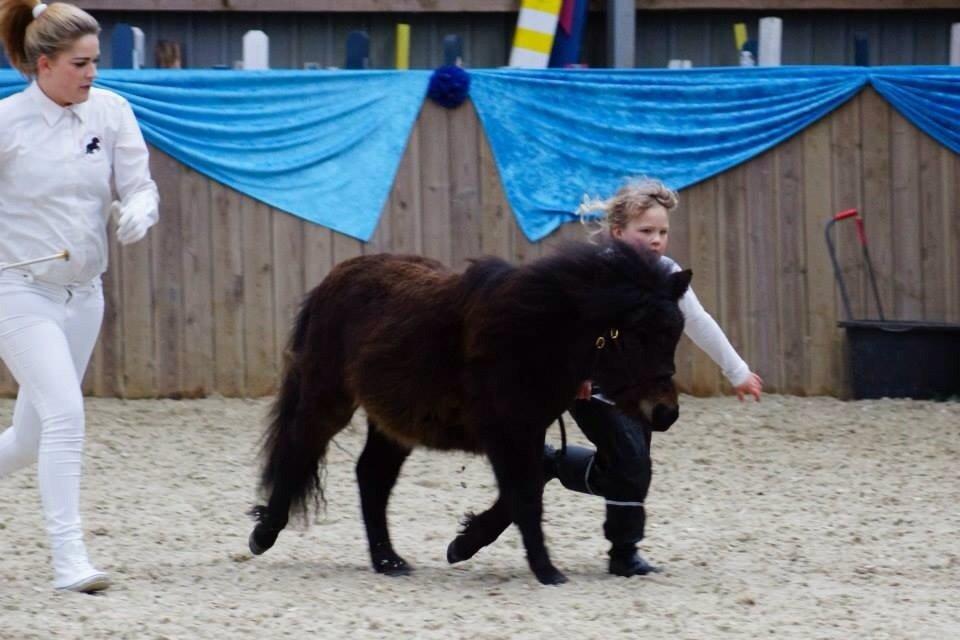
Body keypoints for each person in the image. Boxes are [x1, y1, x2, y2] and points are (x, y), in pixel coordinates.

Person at [0, 0, 158, 592]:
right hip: (17, 290)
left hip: (84, 294)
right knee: (66, 417)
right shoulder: (6, 124)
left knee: (31, 438)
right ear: (44, 65)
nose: (93, 73)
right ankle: (69, 561)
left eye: (95, 62)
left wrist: (140, 208)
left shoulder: (112, 111)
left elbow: (141, 185)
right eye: (80, 63)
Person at [544, 177, 763, 577]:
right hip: (592, 387)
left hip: (640, 390)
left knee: (627, 467)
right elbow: (570, 327)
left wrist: (738, 372)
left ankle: (551, 465)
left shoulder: (667, 273)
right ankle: (624, 554)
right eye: (646, 231)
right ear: (617, 233)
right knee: (632, 464)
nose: (657, 239)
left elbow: (698, 322)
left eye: (663, 231)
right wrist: (577, 373)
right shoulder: (599, 273)